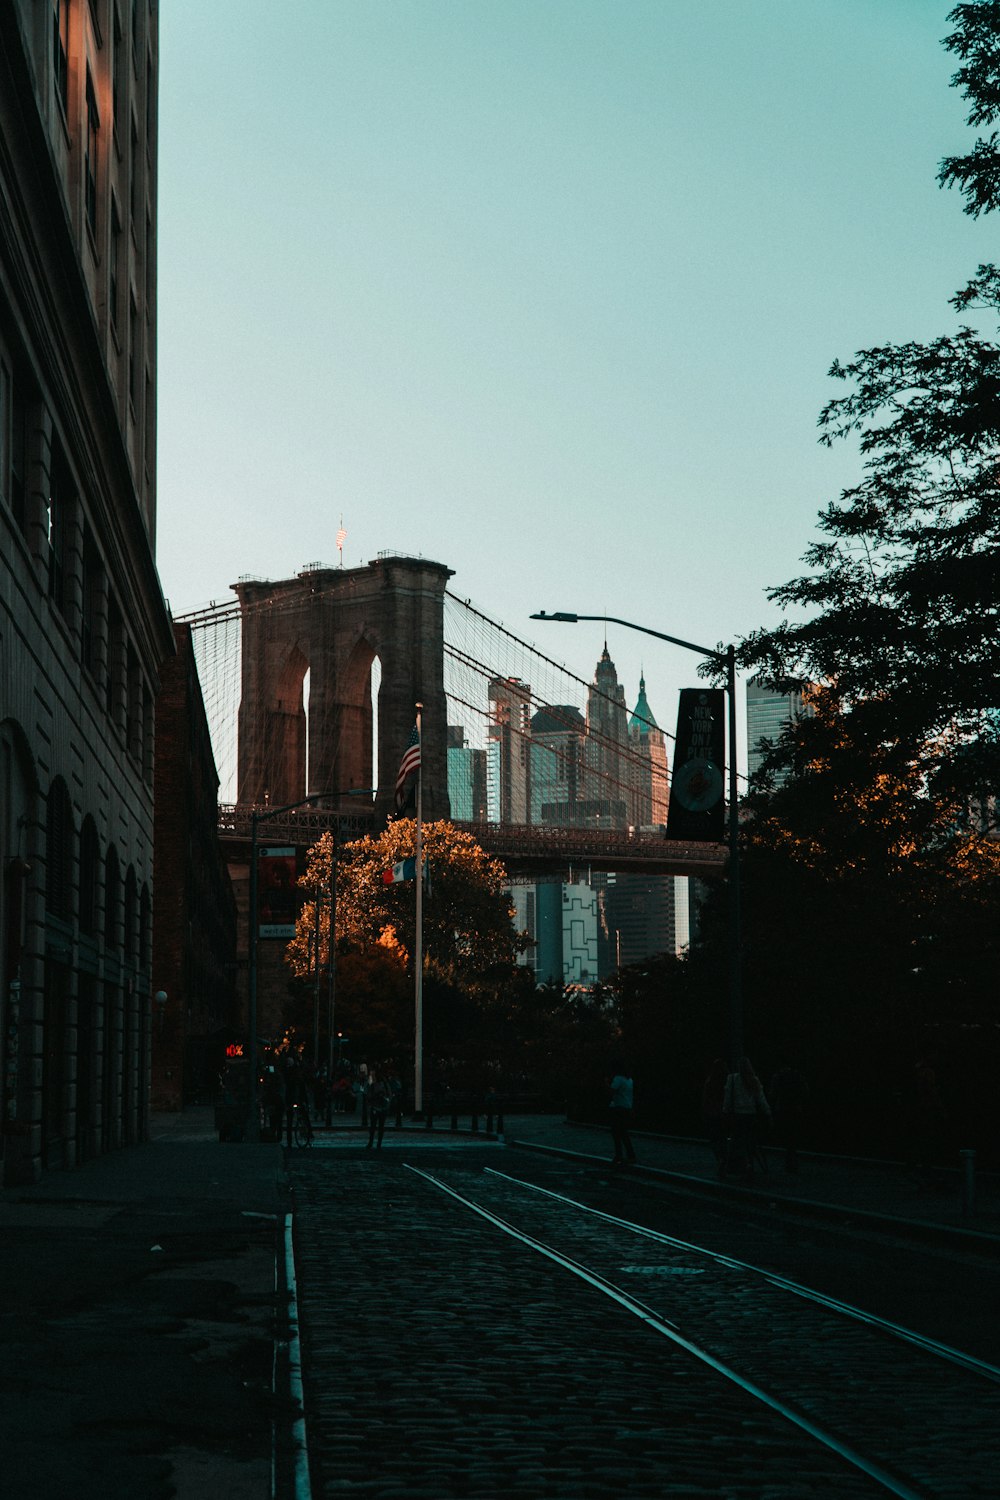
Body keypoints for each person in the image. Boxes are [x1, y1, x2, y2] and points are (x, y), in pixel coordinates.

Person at [723, 1056, 770, 1174]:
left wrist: (725, 1111)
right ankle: (750, 1164)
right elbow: (761, 1099)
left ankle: (734, 1166)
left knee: (735, 1141)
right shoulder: (754, 1080)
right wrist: (768, 1113)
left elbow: (728, 1098)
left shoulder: (732, 1079)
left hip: (737, 1115)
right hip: (751, 1116)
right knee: (750, 1141)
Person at [769, 1064, 808, 1173]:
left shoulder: (778, 1077)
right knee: (793, 1135)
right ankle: (793, 1160)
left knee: (786, 1135)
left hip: (782, 1108)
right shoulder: (797, 1075)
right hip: (796, 1108)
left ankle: (789, 1160)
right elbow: (805, 1090)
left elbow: (772, 1093)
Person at [701, 1058, 729, 1174]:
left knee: (714, 1138)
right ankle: (726, 1158)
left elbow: (705, 1099)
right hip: (725, 1111)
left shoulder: (710, 1081)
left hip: (712, 1112)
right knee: (724, 1136)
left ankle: (720, 1159)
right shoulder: (727, 1081)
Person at [608, 1061, 637, 1166]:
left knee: (617, 1133)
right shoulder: (629, 1080)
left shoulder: (618, 1079)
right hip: (627, 1107)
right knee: (624, 1132)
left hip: (618, 1107)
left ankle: (620, 1155)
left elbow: (611, 1091)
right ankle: (629, 1155)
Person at [366, 1073, 390, 1150]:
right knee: (378, 1127)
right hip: (379, 1107)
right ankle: (376, 1143)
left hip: (378, 1108)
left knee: (375, 1127)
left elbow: (369, 1096)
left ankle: (373, 1143)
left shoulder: (374, 1085)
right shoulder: (383, 1085)